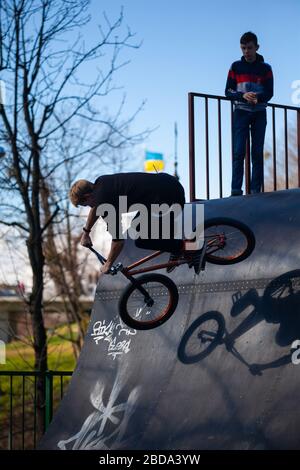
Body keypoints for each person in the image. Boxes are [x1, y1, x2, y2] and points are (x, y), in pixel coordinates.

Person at [69, 172, 201, 274]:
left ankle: (192, 247)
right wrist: (86, 232)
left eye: (85, 205)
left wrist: (108, 263)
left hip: (169, 199)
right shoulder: (101, 183)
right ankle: (177, 248)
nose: (88, 208)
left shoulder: (104, 202)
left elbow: (118, 241)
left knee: (142, 240)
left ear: (87, 197)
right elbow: (95, 208)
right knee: (137, 227)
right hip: (169, 185)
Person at [225, 31, 273, 196]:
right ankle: (236, 190)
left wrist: (257, 98)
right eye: (243, 48)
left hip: (259, 113)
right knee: (239, 151)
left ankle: (255, 190)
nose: (246, 51)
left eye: (249, 48)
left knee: (257, 152)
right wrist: (242, 95)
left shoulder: (266, 68)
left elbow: (270, 92)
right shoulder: (235, 67)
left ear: (257, 47)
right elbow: (228, 91)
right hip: (240, 112)